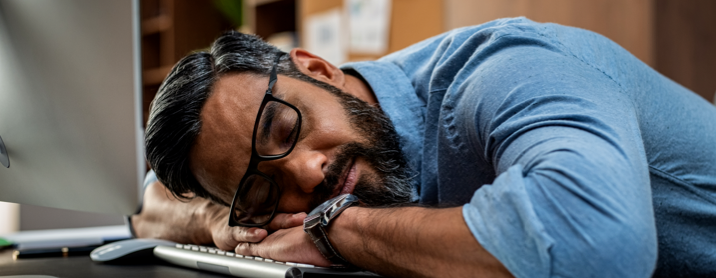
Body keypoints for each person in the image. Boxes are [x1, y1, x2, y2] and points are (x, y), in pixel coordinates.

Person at [131, 17, 716, 277]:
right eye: (263, 188)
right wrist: (221, 223)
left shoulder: (501, 71)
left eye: (285, 131)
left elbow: (595, 250)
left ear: (317, 68)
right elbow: (148, 204)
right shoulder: (331, 130)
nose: (307, 175)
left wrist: (338, 227)